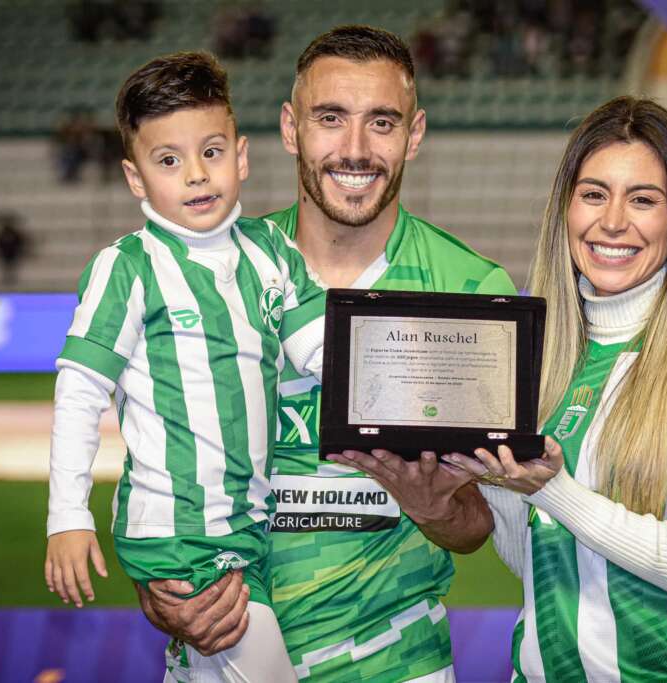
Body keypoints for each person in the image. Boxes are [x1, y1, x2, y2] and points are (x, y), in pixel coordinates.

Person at [137, 26, 518, 682]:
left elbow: (479, 523)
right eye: (330, 118)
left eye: (382, 122)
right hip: (220, 659)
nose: (355, 149)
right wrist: (159, 586)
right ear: (290, 128)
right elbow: (163, 473)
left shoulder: (471, 292)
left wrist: (434, 506)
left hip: (395, 663)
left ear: (415, 134)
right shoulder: (214, 269)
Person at [442, 97, 667, 682]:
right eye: (594, 194)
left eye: (643, 199)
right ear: (565, 209)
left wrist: (551, 490)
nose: (614, 221)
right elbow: (537, 564)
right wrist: (486, 476)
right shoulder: (539, 355)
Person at [43, 51, 326, 683]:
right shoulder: (128, 268)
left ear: (243, 155)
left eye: (212, 151)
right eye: (168, 160)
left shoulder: (271, 251)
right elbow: (80, 393)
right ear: (135, 177)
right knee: (266, 670)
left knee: (210, 669)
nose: (196, 175)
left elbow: (325, 350)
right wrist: (68, 515)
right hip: (181, 529)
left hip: (252, 521)